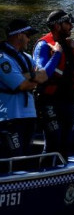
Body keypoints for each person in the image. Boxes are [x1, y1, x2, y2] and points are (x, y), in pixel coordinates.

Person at [33, 10, 74, 158]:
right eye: (67, 23)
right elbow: (42, 75)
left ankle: (62, 173)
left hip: (67, 101)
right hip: (48, 101)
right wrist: (57, 54)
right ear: (57, 26)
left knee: (65, 142)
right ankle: (45, 176)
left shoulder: (72, 46)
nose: (71, 26)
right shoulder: (44, 45)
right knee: (52, 141)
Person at [0, 19, 48, 158]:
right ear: (19, 35)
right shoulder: (3, 59)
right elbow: (21, 85)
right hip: (10, 117)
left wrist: (27, 76)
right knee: (14, 157)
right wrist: (34, 78)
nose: (29, 39)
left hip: (29, 115)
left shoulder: (26, 57)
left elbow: (44, 75)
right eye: (27, 35)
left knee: (27, 156)